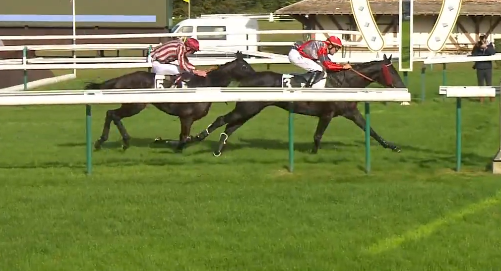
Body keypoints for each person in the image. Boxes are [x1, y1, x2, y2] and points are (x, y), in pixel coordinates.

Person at [288, 35, 352, 88]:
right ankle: (307, 88)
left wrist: (340, 65)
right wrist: (342, 67)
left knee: (321, 68)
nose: (337, 50)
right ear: (330, 46)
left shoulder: (323, 47)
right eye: (337, 48)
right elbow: (328, 65)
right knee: (318, 69)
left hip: (299, 54)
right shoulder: (322, 48)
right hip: (296, 55)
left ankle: (305, 80)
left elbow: (328, 62)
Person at [471, 34, 496, 103]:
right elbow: (473, 54)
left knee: (489, 83)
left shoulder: (489, 45)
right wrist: (479, 47)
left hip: (488, 67)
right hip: (480, 67)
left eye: (484, 38)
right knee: (480, 84)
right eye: (482, 39)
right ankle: (481, 99)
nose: (483, 40)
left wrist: (486, 48)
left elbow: (493, 52)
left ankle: (491, 98)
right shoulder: (477, 45)